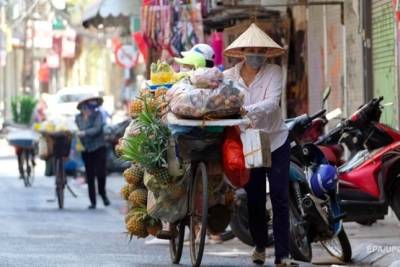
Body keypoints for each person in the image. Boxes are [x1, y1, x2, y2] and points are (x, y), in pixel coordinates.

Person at [224, 23, 296, 266]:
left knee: (279, 196)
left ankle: (282, 255)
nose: (256, 54)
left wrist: (244, 110)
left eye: (260, 50)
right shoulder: (228, 77)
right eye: (251, 49)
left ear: (266, 53)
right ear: (242, 51)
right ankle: (259, 245)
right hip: (248, 144)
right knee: (254, 198)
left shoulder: (274, 72)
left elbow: (273, 104)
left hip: (276, 140)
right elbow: (224, 103)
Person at [75, 96, 110, 209]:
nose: (89, 109)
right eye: (87, 107)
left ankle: (102, 194)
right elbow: (76, 129)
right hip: (86, 149)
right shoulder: (78, 118)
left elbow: (97, 129)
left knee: (101, 173)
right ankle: (93, 201)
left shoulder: (98, 115)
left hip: (99, 147)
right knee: (89, 175)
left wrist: (84, 133)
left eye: (91, 106)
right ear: (82, 108)